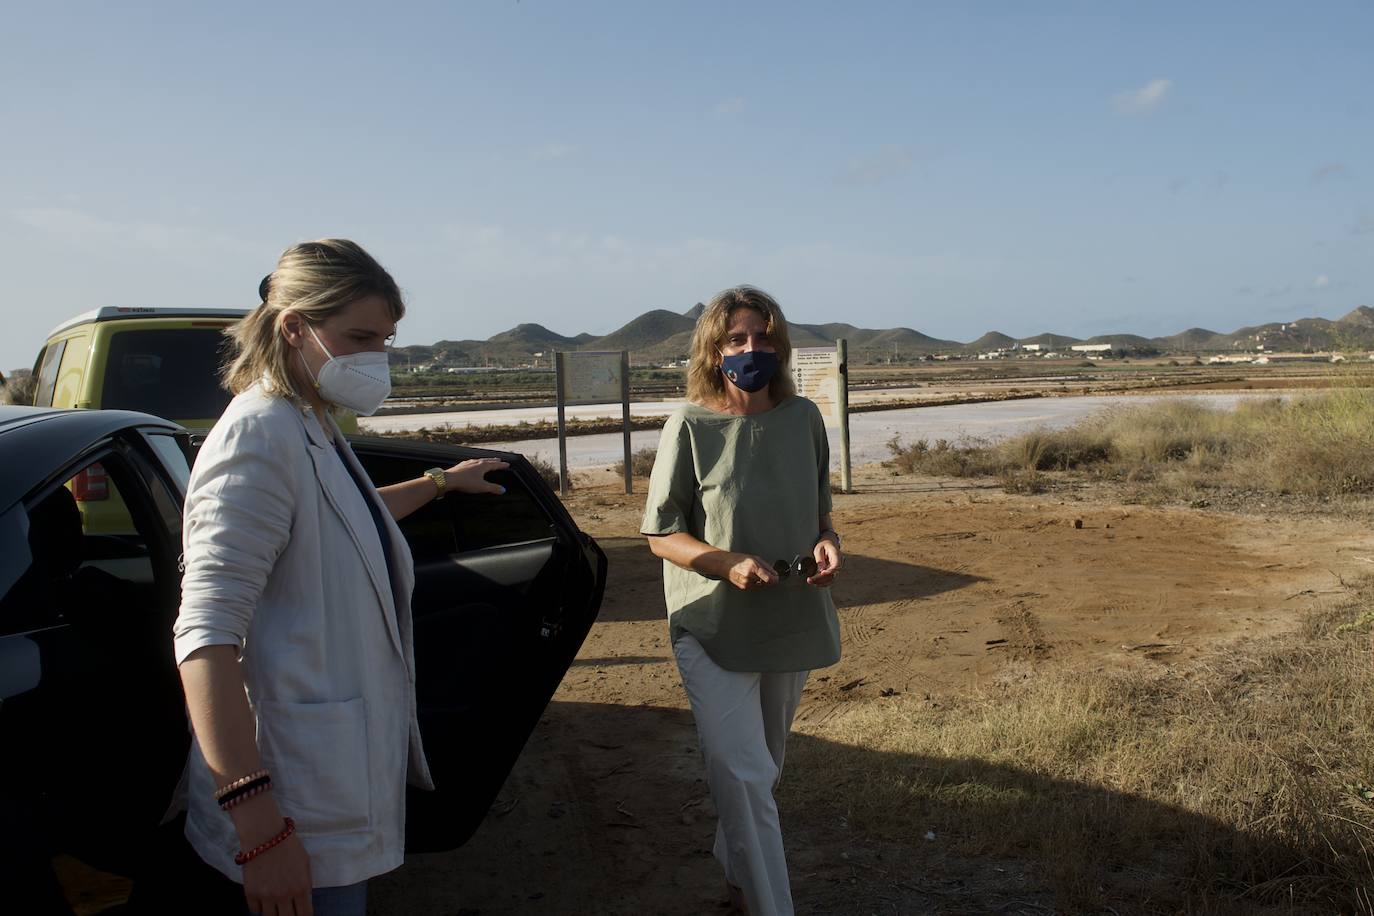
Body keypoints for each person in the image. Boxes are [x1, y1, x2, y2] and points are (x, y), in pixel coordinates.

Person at [172, 239, 507, 916]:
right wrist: (258, 829)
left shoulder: (309, 421)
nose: (373, 358)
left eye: (383, 340)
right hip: (287, 812)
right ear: (294, 326)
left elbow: (340, 517)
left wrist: (441, 482)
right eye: (358, 337)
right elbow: (204, 641)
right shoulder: (258, 437)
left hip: (322, 799)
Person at [641, 286, 843, 916]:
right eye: (736, 339)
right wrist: (726, 564)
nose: (752, 349)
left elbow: (819, 514)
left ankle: (735, 869)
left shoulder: (804, 419)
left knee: (765, 766)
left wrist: (830, 544)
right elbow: (660, 534)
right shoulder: (689, 425)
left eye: (763, 337)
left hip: (790, 617)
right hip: (710, 622)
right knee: (744, 771)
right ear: (714, 349)